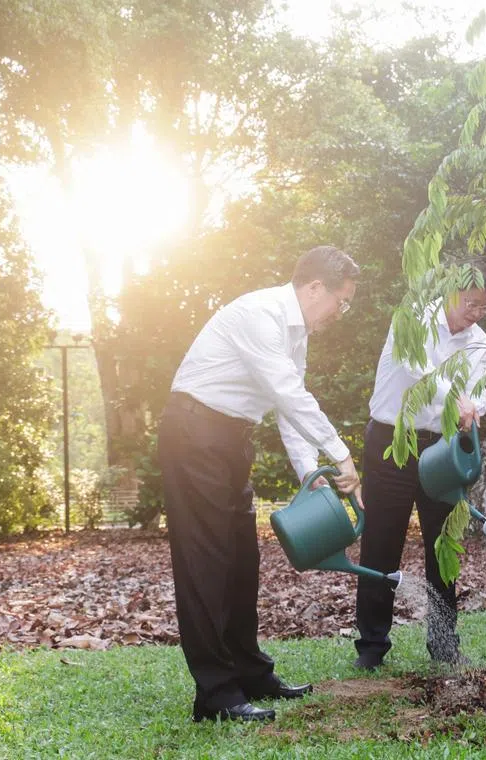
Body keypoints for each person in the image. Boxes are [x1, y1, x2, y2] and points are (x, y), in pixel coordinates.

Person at [159, 245, 361, 723]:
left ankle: (250, 672)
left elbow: (289, 408)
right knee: (206, 563)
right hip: (195, 434)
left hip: (230, 438)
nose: (341, 312)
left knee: (241, 561)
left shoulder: (297, 333)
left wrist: (308, 475)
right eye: (342, 301)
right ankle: (215, 695)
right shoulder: (259, 314)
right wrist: (341, 453)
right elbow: (287, 392)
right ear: (315, 288)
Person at [353, 264, 486, 670]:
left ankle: (444, 643)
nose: (476, 313)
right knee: (382, 542)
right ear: (453, 292)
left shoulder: (479, 340)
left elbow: (478, 392)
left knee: (444, 543)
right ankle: (372, 646)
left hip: (443, 447)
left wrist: (475, 407)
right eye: (472, 303)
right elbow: (420, 373)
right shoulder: (414, 320)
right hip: (392, 442)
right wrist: (461, 399)